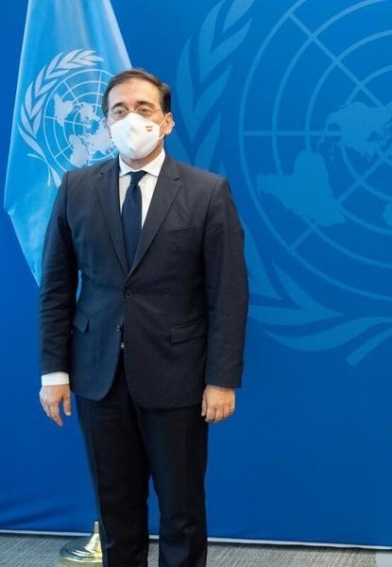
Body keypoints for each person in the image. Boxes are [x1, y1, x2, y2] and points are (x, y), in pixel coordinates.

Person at [38, 68, 248, 567]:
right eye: (119, 110)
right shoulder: (76, 188)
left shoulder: (207, 192)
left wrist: (221, 380)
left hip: (178, 379)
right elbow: (57, 288)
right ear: (106, 124)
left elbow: (228, 293)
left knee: (182, 511)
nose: (131, 118)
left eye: (144, 108)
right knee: (116, 511)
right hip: (98, 378)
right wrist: (54, 372)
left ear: (167, 122)